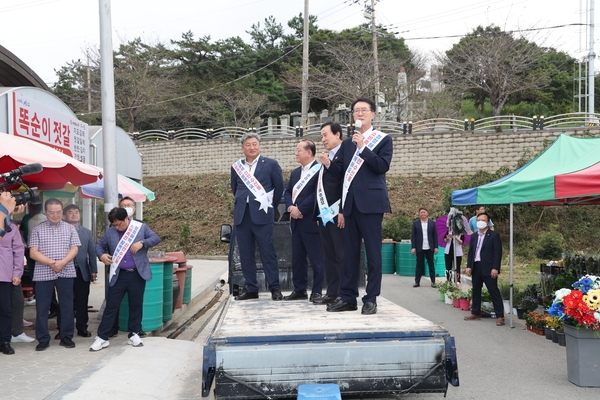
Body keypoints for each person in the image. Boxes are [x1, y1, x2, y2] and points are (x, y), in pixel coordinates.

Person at [321, 97, 393, 315]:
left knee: (373, 253)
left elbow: (382, 166)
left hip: (371, 204)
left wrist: (363, 147)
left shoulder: (383, 140)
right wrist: (328, 165)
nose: (359, 114)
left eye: (363, 110)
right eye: (356, 111)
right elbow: (340, 173)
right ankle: (348, 297)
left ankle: (371, 298)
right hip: (350, 206)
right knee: (350, 254)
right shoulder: (346, 144)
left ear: (373, 114)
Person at [90, 207, 160, 351]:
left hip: (137, 274)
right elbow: (99, 245)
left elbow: (156, 238)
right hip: (119, 274)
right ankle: (102, 337)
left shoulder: (140, 228)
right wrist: (101, 256)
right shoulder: (110, 232)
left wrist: (142, 243)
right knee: (111, 306)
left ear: (126, 219)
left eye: (119, 224)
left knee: (136, 304)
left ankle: (134, 333)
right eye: (114, 224)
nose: (117, 227)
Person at [230, 132, 284, 301]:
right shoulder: (236, 167)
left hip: (262, 215)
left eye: (255, 144)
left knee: (268, 252)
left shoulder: (270, 164)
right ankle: (252, 288)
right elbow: (234, 188)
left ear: (259, 146)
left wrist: (269, 208)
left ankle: (275, 288)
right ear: (242, 148)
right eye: (248, 145)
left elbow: (279, 188)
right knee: (246, 254)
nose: (252, 147)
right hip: (242, 216)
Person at [29, 198, 80, 351]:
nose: (55, 215)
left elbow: (75, 249)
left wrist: (62, 262)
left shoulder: (70, 228)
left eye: (58, 212)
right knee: (42, 307)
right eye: (52, 212)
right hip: (43, 272)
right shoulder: (38, 229)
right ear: (46, 212)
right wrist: (52, 263)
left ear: (62, 212)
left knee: (67, 305)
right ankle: (43, 338)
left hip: (66, 270)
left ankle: (66, 336)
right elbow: (33, 252)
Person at [284, 139, 325, 302]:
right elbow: (287, 192)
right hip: (296, 221)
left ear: (309, 152)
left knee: (316, 259)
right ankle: (299, 289)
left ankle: (316, 291)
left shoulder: (320, 169)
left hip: (311, 220)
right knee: (297, 258)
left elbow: (318, 194)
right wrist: (290, 208)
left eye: (298, 150)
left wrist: (301, 209)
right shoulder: (295, 173)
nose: (296, 153)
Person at [313, 122, 345, 306]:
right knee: (328, 255)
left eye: (326, 135)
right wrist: (318, 214)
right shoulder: (326, 158)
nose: (323, 139)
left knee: (342, 254)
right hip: (325, 215)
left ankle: (343, 292)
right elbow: (321, 189)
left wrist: (343, 211)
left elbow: (344, 183)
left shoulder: (345, 153)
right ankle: (332, 292)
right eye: (321, 136)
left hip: (338, 213)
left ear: (337, 134)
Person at [464, 212, 505, 326]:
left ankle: (500, 316)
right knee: (476, 290)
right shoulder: (474, 236)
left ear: (488, 222)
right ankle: (475, 312)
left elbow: (498, 253)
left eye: (483, 220)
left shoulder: (493, 235)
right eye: (479, 220)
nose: (481, 222)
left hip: (489, 267)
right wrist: (469, 266)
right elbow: (471, 252)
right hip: (476, 267)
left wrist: (495, 268)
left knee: (493, 291)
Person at [63, 204, 97, 338]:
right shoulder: (61, 230)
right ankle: (65, 328)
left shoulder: (86, 232)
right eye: (70, 212)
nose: (74, 214)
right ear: (65, 215)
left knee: (82, 301)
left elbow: (92, 252)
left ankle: (82, 327)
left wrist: (93, 269)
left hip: (82, 271)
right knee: (66, 301)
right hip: (65, 271)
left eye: (76, 212)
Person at [1, 211, 27, 354]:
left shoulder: (12, 228)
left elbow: (18, 251)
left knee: (6, 309)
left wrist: (17, 273)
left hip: (5, 275)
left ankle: (5, 341)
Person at [411, 208, 439, 288]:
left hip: (430, 247)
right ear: (419, 214)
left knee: (431, 265)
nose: (422, 214)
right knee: (419, 265)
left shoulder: (432, 223)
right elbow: (413, 237)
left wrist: (436, 247)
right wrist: (413, 247)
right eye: (421, 212)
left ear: (427, 213)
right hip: (420, 247)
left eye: (424, 212)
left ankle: (433, 281)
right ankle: (417, 281)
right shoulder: (416, 223)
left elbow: (435, 236)